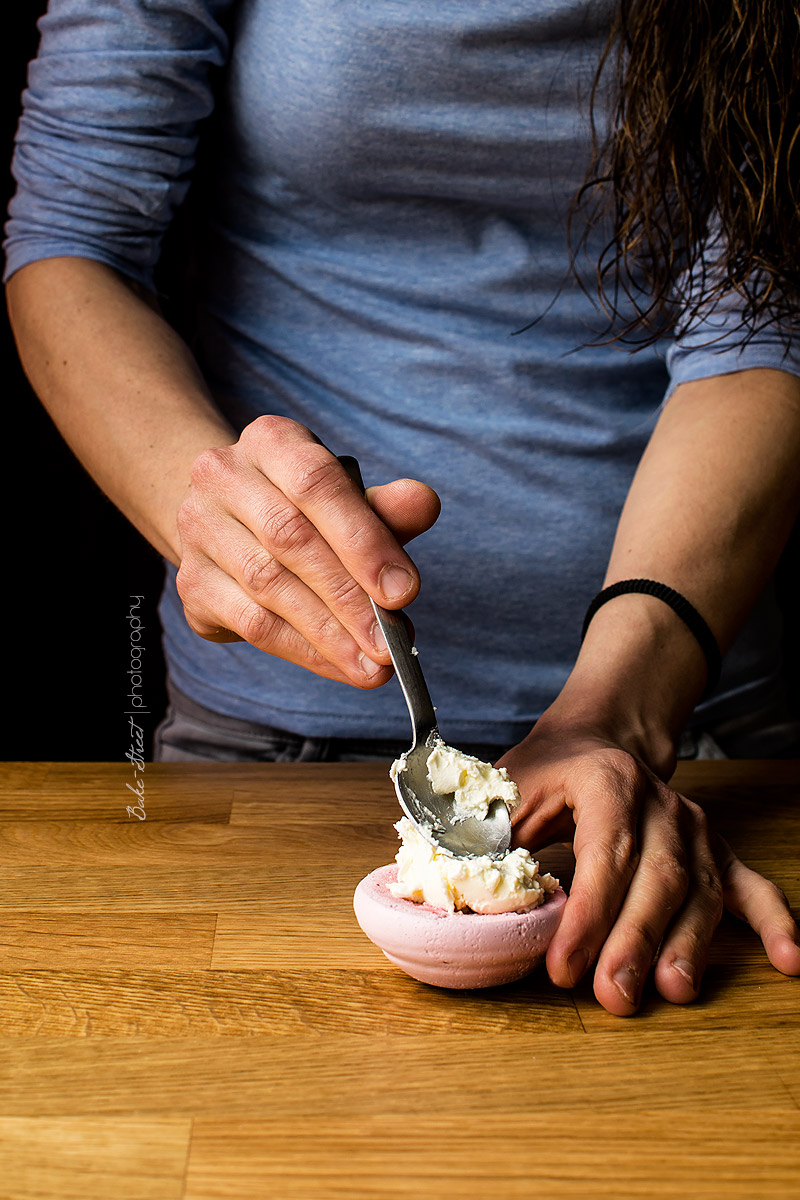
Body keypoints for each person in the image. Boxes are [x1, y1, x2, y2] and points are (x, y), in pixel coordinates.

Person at [5, 0, 800, 1016]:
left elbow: (758, 332)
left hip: (697, 743)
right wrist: (204, 509)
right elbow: (76, 244)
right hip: (271, 756)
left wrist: (616, 710)